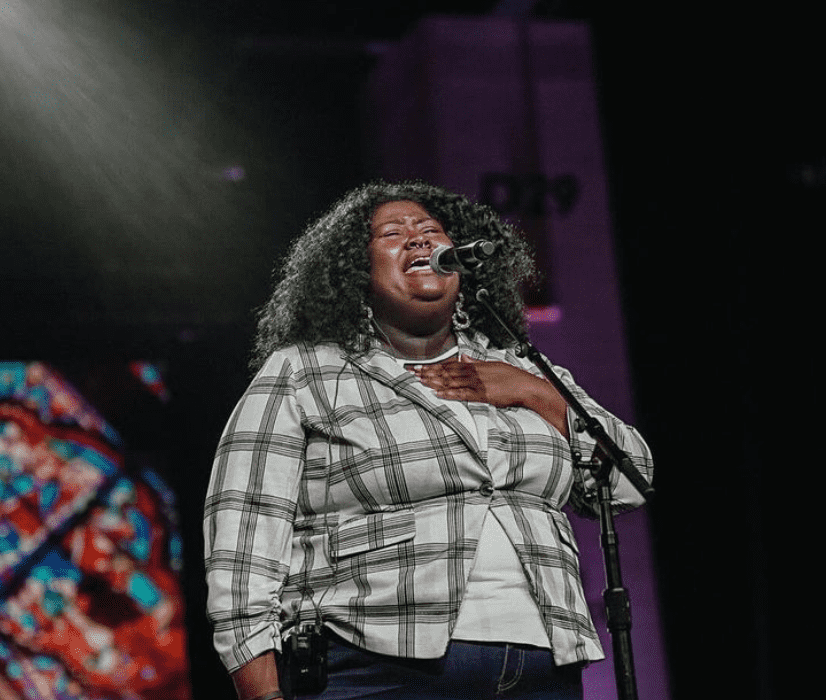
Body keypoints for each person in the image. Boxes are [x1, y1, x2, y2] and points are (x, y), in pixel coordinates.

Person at [203, 181, 653, 700]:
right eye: (392, 234)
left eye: (431, 231)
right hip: (376, 663)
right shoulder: (306, 371)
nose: (418, 239)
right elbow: (242, 539)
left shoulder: (520, 367)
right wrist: (261, 690)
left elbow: (631, 481)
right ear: (356, 271)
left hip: (542, 665)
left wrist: (534, 393)